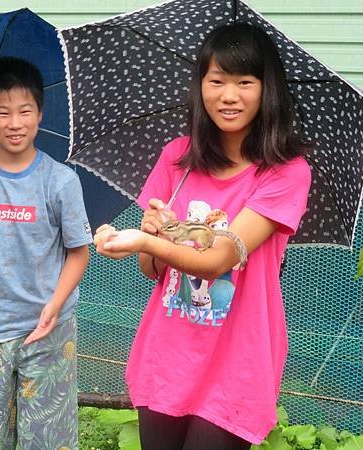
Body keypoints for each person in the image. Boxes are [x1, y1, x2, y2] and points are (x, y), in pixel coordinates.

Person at [93, 23, 312, 450]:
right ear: (201, 86)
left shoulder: (285, 172)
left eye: (245, 83)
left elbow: (220, 258)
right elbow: (151, 269)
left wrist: (146, 241)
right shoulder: (177, 158)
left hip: (238, 363)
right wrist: (153, 234)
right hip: (168, 355)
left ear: (267, 91)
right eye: (217, 81)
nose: (229, 96)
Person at [0, 56, 92, 450]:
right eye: (3, 112)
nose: (15, 123)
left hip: (49, 328)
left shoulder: (61, 180)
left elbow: (79, 253)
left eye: (25, 111)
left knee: (47, 436)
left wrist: (55, 306)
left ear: (39, 114)